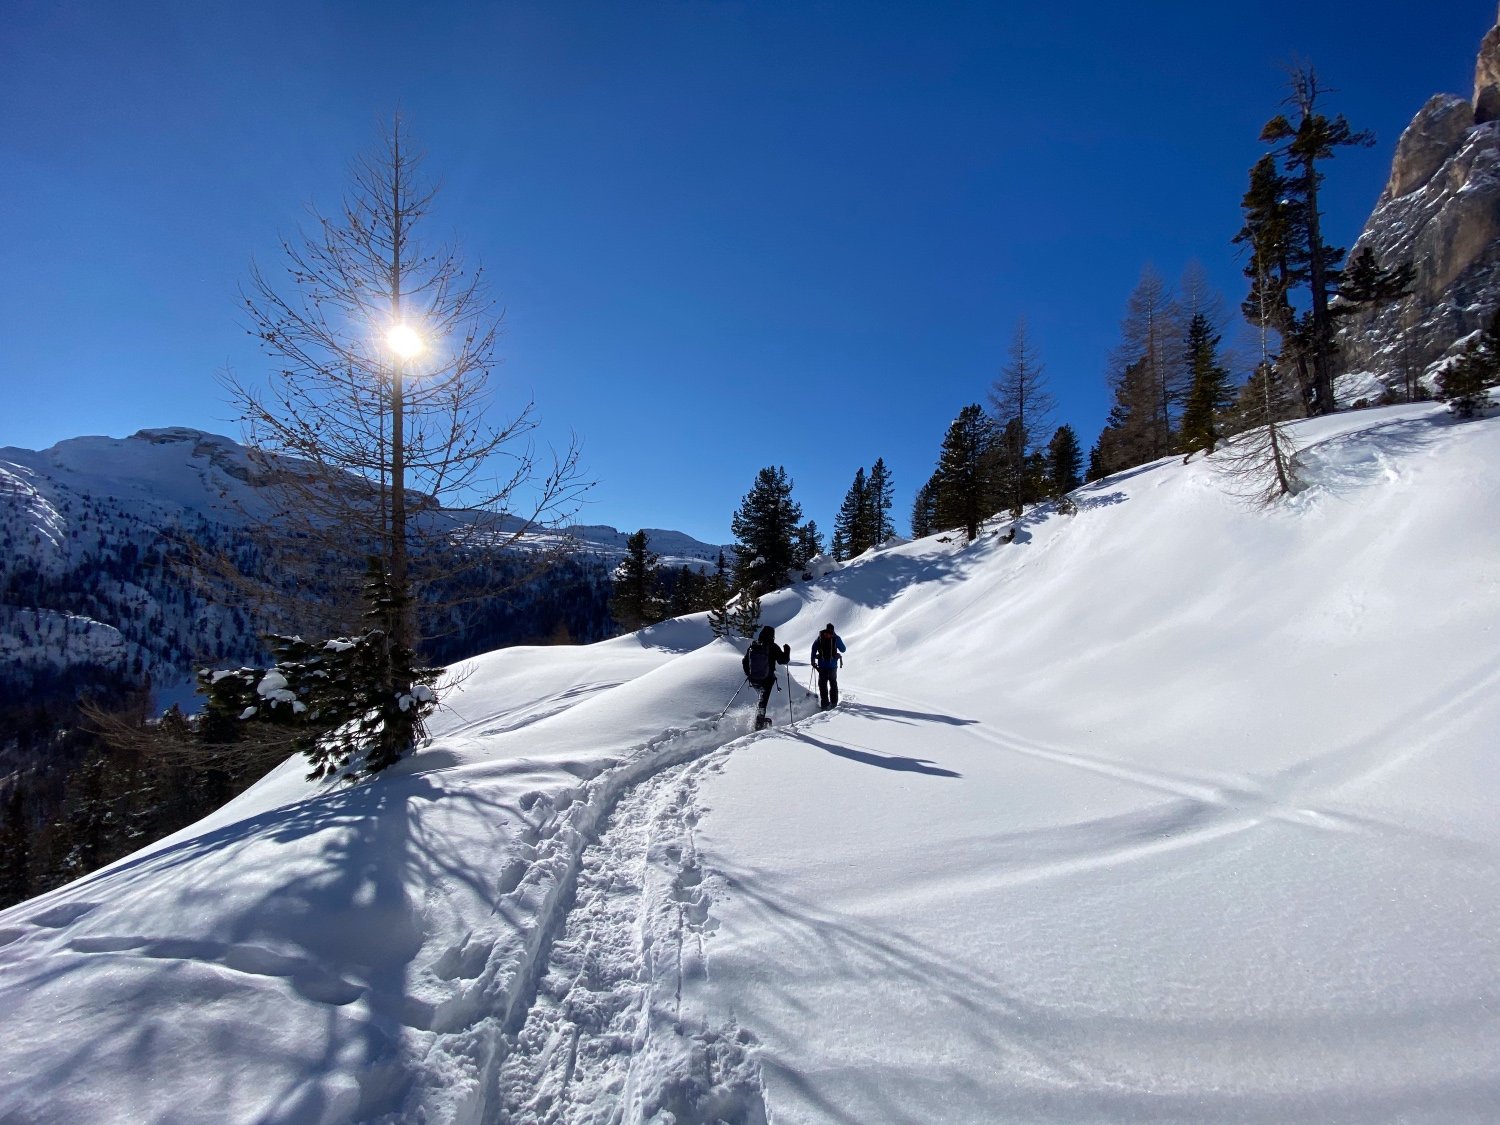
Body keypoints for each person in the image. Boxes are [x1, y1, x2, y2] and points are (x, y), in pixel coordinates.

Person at [742, 624, 791, 730]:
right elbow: (783, 660)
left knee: (761, 699)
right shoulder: (773, 646)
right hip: (767, 680)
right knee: (763, 701)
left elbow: (745, 661)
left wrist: (749, 674)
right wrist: (787, 651)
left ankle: (758, 720)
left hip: (754, 679)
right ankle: (759, 724)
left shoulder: (753, 645)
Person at [810, 622, 847, 710]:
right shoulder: (836, 638)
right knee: (833, 683)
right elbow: (843, 649)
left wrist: (813, 660)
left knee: (822, 685)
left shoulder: (819, 638)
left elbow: (813, 649)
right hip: (833, 666)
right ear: (833, 630)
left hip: (822, 666)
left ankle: (824, 704)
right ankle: (834, 703)